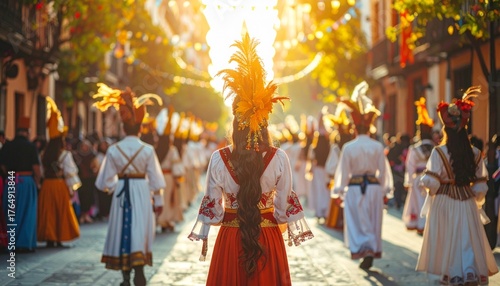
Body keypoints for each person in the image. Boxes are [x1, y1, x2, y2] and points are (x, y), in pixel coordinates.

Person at [188, 34, 314, 286]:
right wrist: (267, 215)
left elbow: (212, 214)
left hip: (230, 239)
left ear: (235, 124)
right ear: (264, 123)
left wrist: (233, 212)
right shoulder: (279, 158)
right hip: (266, 237)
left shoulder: (218, 158)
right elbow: (282, 210)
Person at [416, 86, 498, 285]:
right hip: (467, 200)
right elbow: (480, 187)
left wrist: (424, 184)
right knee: (466, 239)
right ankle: (468, 272)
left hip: (443, 201)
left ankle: (452, 274)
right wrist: (473, 199)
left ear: (446, 128)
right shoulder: (476, 153)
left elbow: (432, 183)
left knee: (448, 239)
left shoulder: (439, 152)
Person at [93, 83, 166, 286]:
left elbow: (103, 182)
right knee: (140, 228)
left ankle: (125, 276)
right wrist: (158, 200)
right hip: (142, 192)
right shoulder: (148, 150)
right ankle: (139, 270)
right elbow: (157, 180)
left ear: (123, 127)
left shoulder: (114, 150)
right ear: (140, 128)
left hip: (121, 194)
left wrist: (116, 187)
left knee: (121, 228)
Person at [333, 81, 393, 270]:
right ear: (370, 128)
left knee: (358, 221)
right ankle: (370, 250)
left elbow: (343, 171)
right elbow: (383, 172)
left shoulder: (348, 147)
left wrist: (339, 191)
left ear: (354, 128)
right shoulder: (377, 146)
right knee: (373, 220)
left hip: (355, 188)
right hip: (374, 188)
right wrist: (385, 191)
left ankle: (362, 249)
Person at [38, 97, 81, 247]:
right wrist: (71, 188)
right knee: (60, 212)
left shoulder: (44, 153)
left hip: (47, 186)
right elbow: (70, 172)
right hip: (59, 185)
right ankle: (58, 237)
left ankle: (50, 238)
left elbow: (42, 171)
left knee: (48, 212)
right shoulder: (64, 154)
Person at [0, 117, 42, 252]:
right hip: (26, 181)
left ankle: (10, 242)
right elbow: (36, 168)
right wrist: (37, 181)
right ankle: (23, 244)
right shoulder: (31, 147)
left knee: (10, 213)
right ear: (27, 132)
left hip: (11, 181)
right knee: (27, 213)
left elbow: (2, 165)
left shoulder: (7, 145)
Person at [402, 97, 435, 235]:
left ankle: (421, 225)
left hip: (418, 179)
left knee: (420, 203)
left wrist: (409, 181)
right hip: (433, 178)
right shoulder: (435, 148)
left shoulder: (415, 149)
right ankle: (429, 224)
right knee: (430, 203)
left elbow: (410, 166)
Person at [155, 105, 185, 232]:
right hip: (168, 177)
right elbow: (177, 167)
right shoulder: (172, 150)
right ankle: (166, 220)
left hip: (158, 177)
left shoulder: (155, 149)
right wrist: (178, 178)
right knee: (168, 200)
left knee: (160, 200)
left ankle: (160, 220)